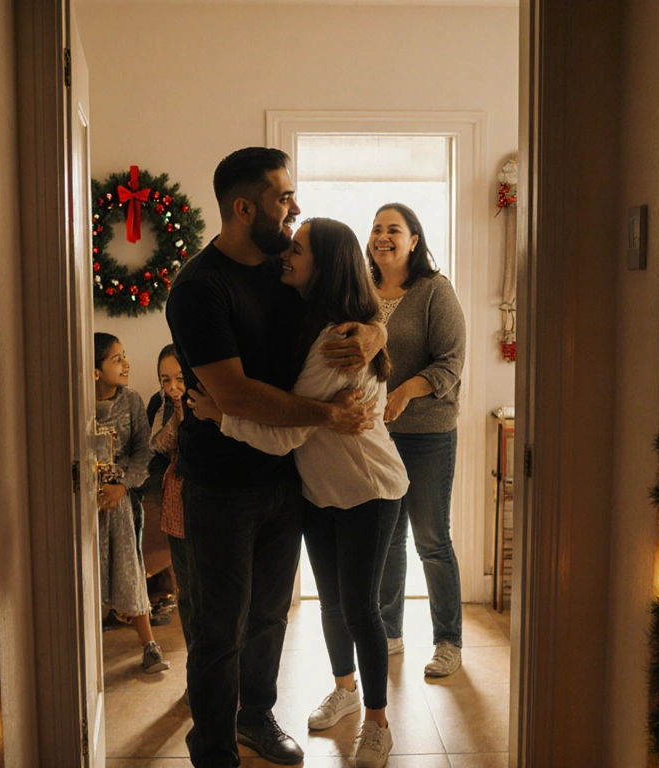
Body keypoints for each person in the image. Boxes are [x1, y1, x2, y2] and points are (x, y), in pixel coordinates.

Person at [165, 147, 383, 768]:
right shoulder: (198, 288)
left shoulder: (283, 269)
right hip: (222, 482)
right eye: (283, 197)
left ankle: (256, 719)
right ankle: (212, 747)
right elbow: (232, 394)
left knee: (269, 617)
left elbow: (354, 300)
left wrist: (375, 332)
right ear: (244, 207)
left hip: (288, 477)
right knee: (219, 629)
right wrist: (326, 416)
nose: (294, 208)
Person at [369, 202, 467, 678]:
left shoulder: (434, 291)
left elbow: (450, 363)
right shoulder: (362, 294)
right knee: (387, 540)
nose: (382, 236)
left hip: (428, 434)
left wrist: (406, 390)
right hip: (376, 437)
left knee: (431, 539)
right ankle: (389, 631)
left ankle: (448, 640)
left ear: (414, 240)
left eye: (393, 229)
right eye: (376, 228)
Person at [93, 332, 170, 674]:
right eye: (116, 359)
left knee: (129, 567)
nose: (126, 365)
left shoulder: (132, 401)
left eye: (124, 356)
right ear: (95, 371)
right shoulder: (76, 404)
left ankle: (149, 645)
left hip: (121, 503)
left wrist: (122, 487)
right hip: (87, 504)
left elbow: (143, 452)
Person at [147, 345, 191, 653]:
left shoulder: (213, 399)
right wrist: (177, 414)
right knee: (186, 591)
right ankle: (195, 665)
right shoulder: (162, 404)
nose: (172, 387)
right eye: (165, 380)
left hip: (213, 501)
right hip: (177, 499)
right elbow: (158, 445)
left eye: (179, 378)